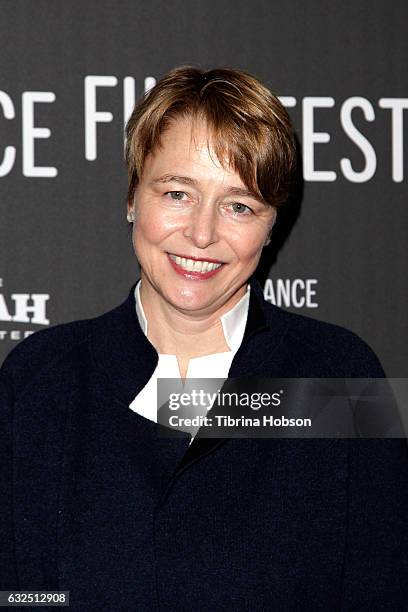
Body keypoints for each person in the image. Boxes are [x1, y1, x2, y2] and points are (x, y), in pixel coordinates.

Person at [0, 65, 407, 611]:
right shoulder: (37, 382)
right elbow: (19, 595)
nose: (201, 234)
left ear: (271, 226)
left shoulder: (341, 377)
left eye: (239, 205)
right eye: (177, 193)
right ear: (132, 198)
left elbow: (381, 590)